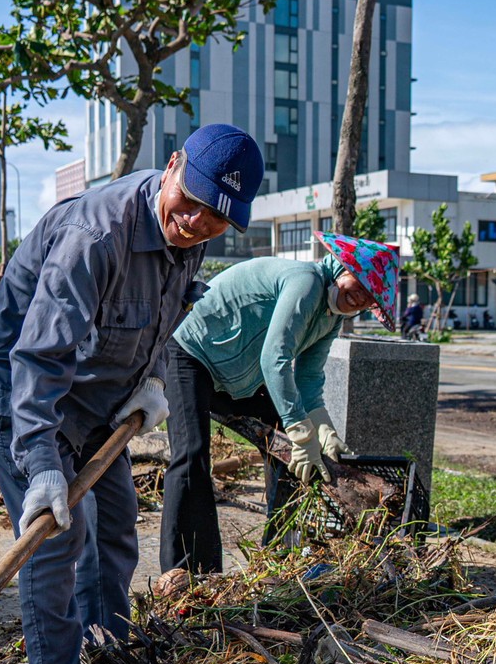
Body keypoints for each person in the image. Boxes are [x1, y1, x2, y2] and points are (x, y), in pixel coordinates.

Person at [0, 123, 261, 664]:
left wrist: (144, 386)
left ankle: (105, 655)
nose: (198, 221)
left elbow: (162, 314)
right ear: (172, 166)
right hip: (16, 390)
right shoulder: (95, 234)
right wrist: (41, 460)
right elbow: (39, 357)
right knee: (54, 536)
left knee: (117, 523)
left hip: (94, 397)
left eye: (216, 217)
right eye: (193, 201)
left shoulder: (192, 236)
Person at [160, 233, 396, 575]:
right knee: (191, 455)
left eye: (369, 297)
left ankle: (277, 554)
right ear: (344, 267)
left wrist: (322, 428)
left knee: (287, 450)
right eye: (359, 284)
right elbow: (275, 358)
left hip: (235, 374)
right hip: (191, 353)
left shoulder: (331, 317)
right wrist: (302, 431)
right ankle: (190, 573)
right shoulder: (306, 283)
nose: (360, 297)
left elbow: (309, 379)